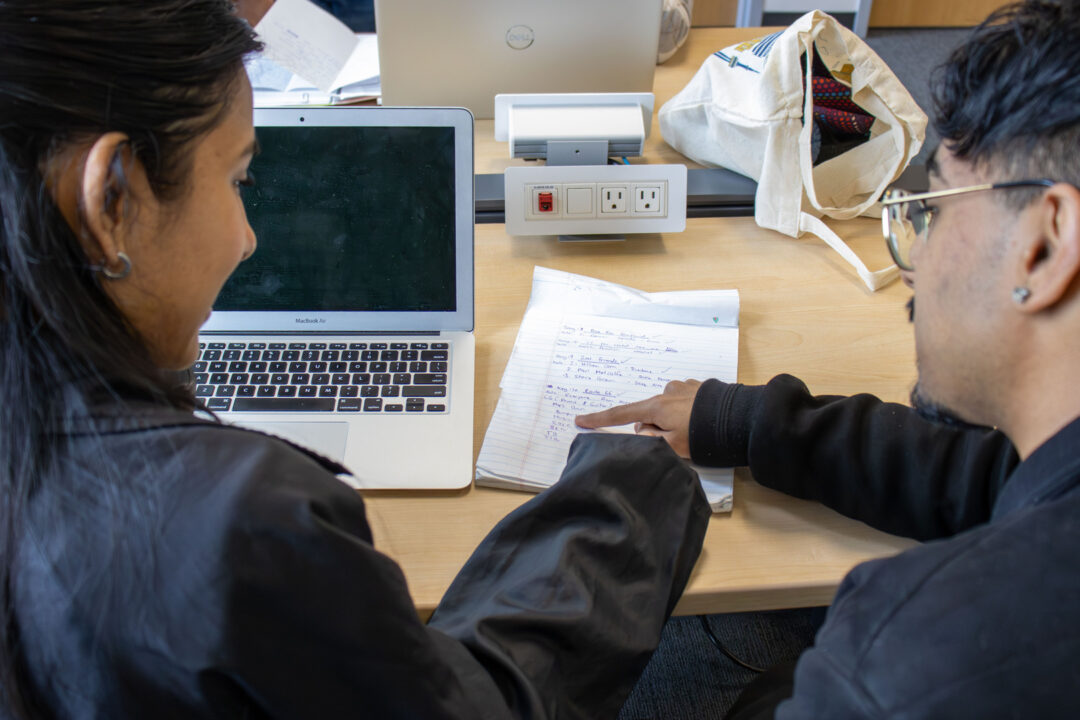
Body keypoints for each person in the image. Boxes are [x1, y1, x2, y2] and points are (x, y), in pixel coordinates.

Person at [0, 1, 710, 718]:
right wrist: (630, 486)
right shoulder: (252, 523)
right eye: (239, 180)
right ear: (112, 199)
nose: (249, 239)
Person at [577, 1, 1080, 717]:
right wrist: (743, 420)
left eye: (933, 209)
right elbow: (990, 474)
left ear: (1046, 244)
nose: (912, 263)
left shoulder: (904, 667)